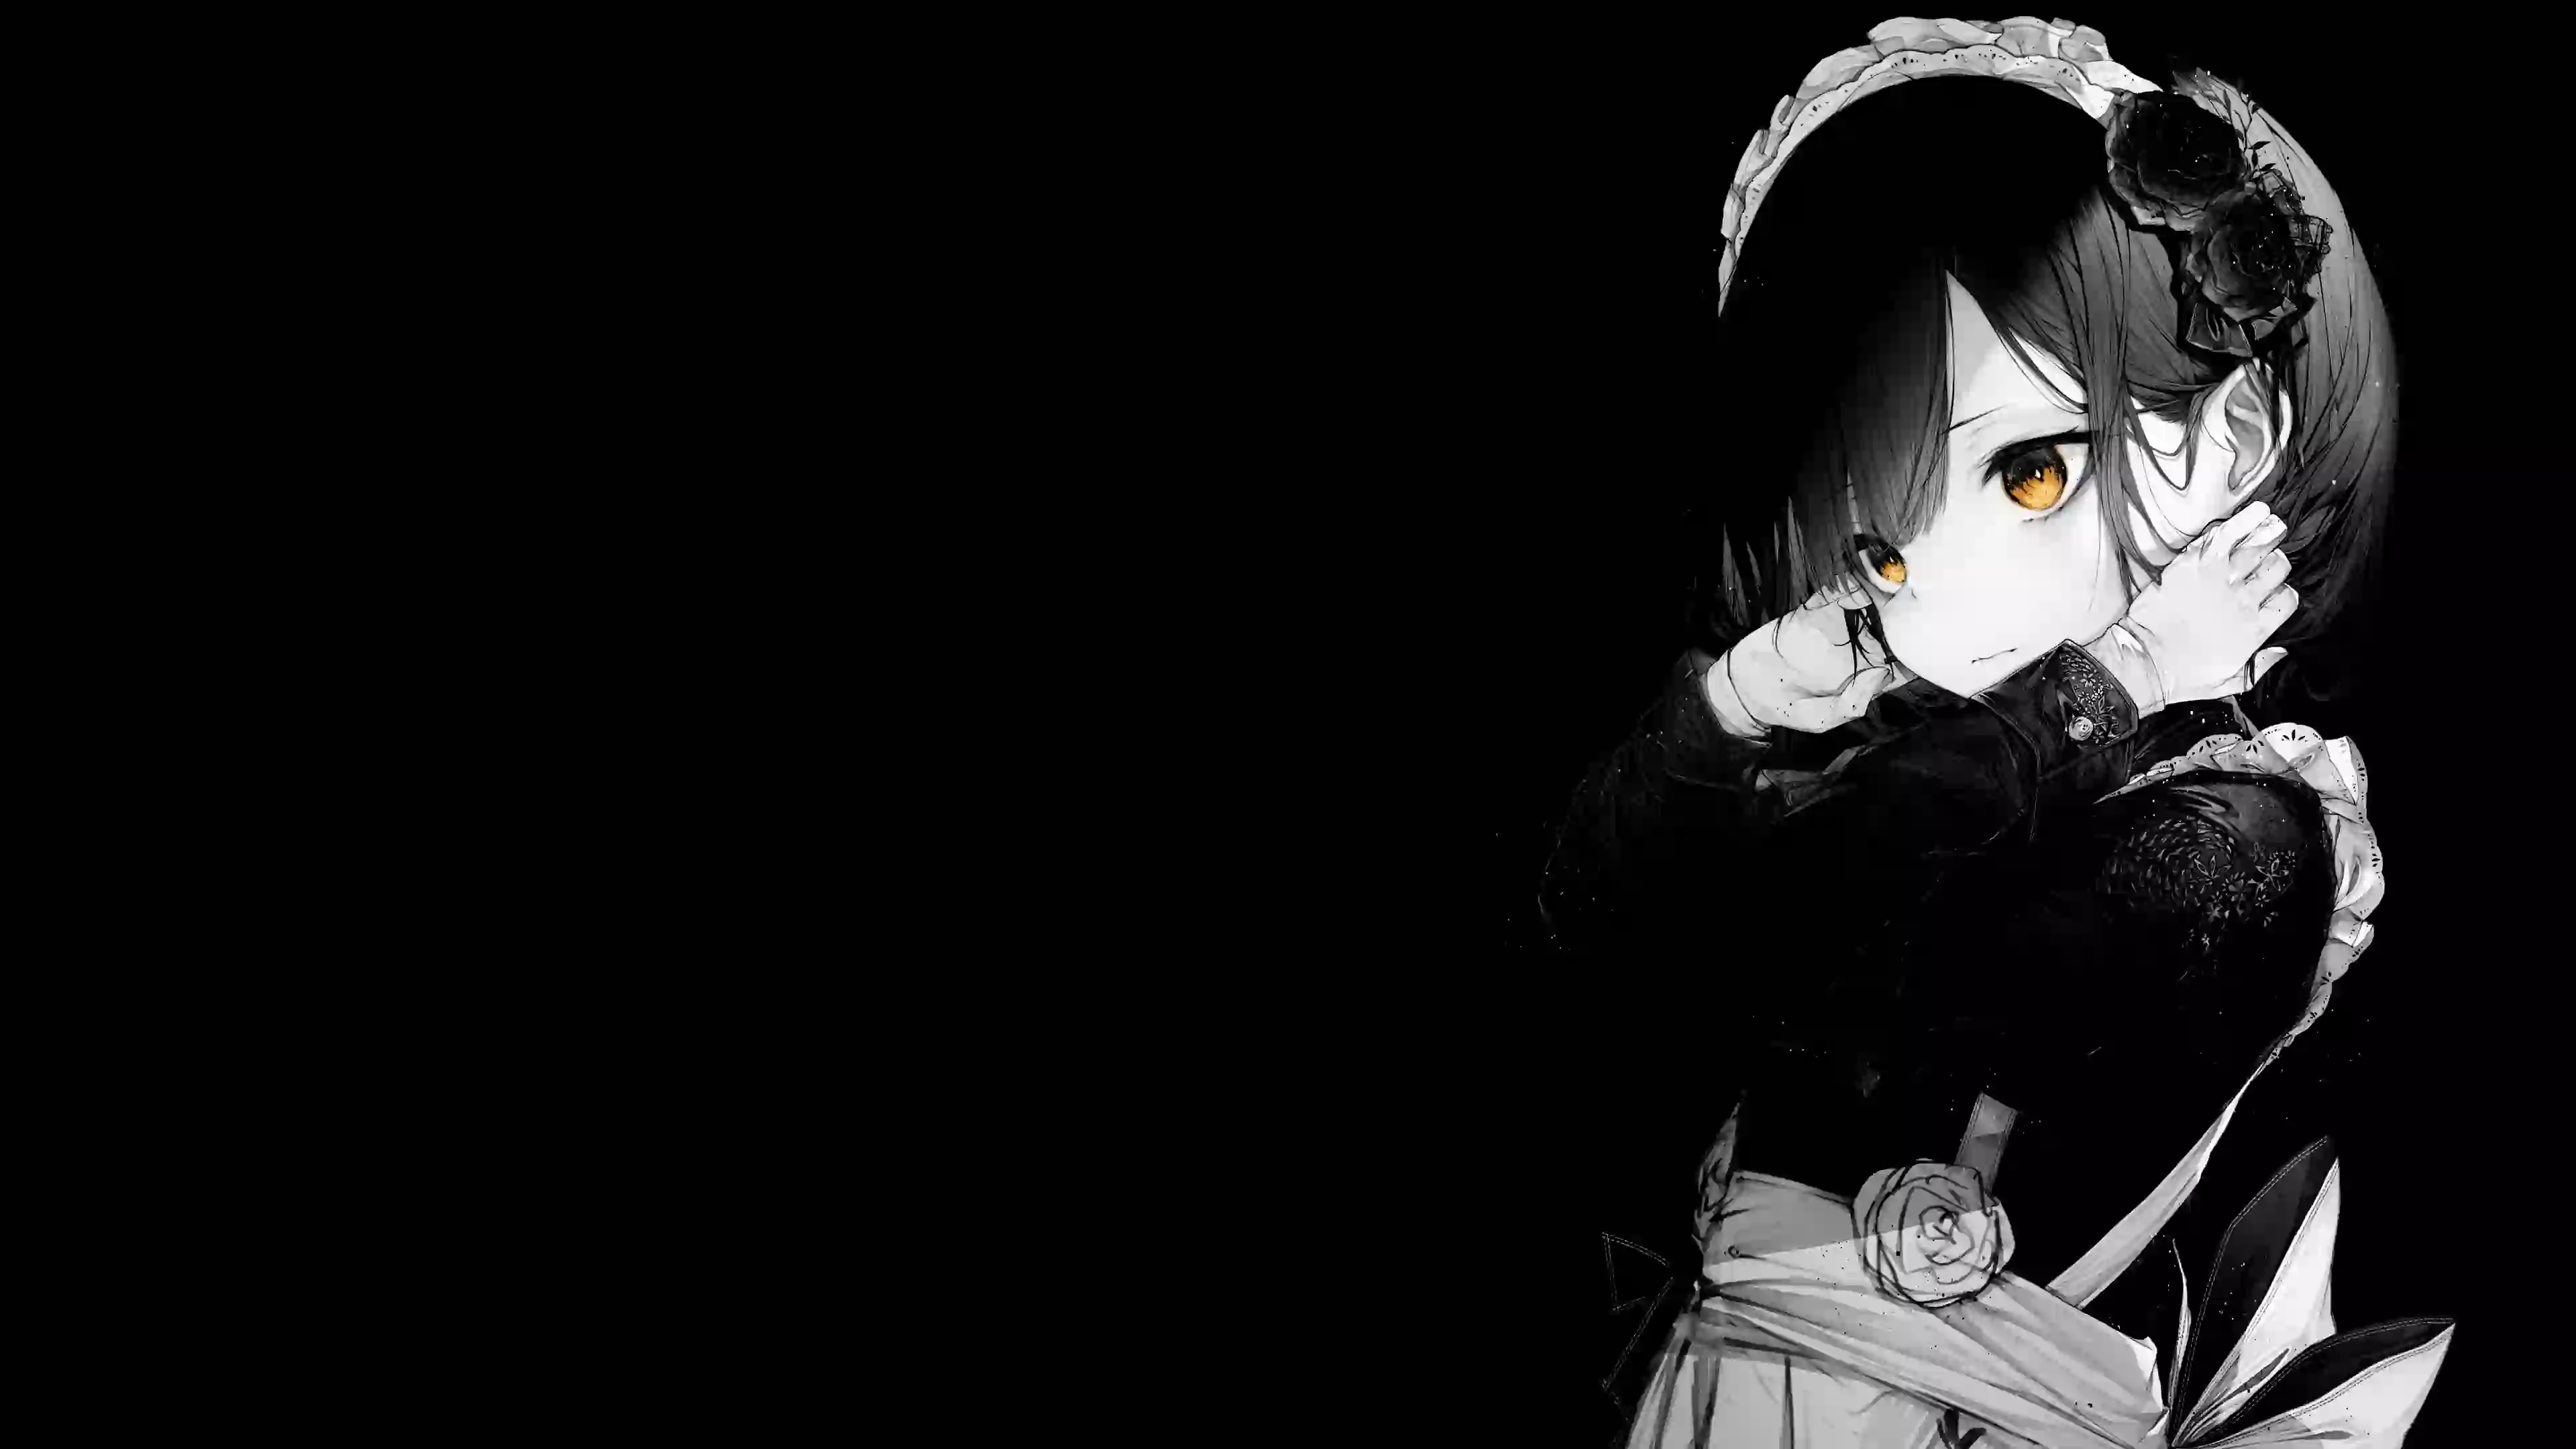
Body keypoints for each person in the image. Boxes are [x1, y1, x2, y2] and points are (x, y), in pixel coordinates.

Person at [1546, 19, 2447, 1445]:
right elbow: (1595, 936)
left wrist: (2112, 677)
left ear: (2231, 441)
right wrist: (1731, 712)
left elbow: (1819, 940)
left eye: (2031, 472)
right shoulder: (1939, 746)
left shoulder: (2241, 824)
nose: (1943, 598)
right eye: (1884, 548)